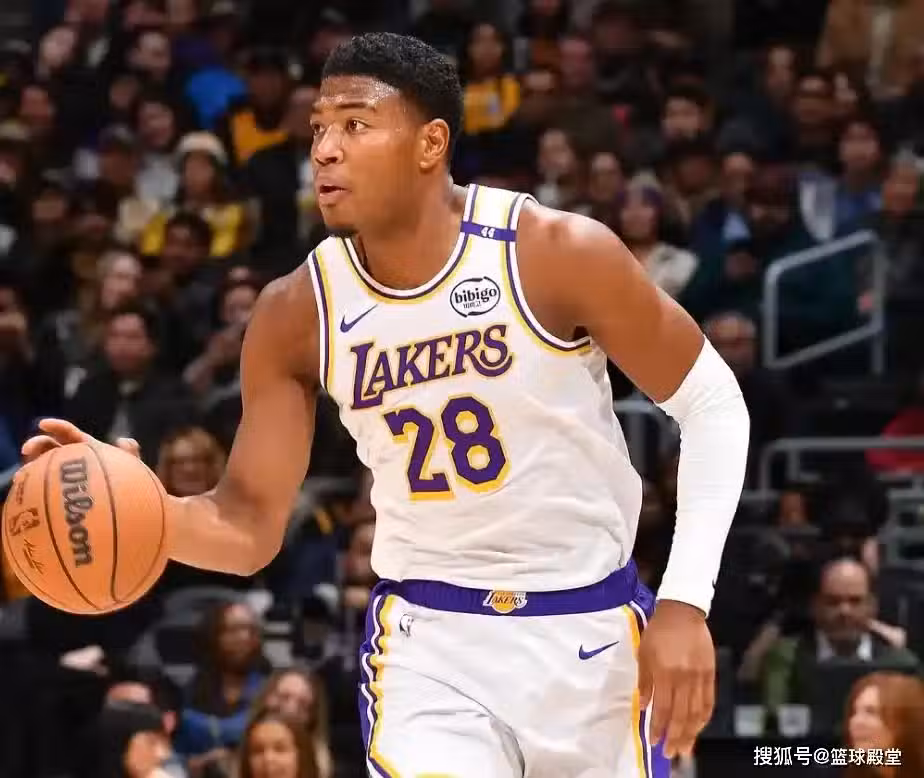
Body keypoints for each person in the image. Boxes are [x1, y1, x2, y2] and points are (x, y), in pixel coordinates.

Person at [22, 33, 750, 777]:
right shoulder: (296, 311)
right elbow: (246, 526)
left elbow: (714, 404)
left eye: (355, 124)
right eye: (318, 128)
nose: (325, 150)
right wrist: (141, 508)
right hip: (430, 645)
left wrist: (685, 603)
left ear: (431, 143)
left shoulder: (552, 252)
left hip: (588, 629)